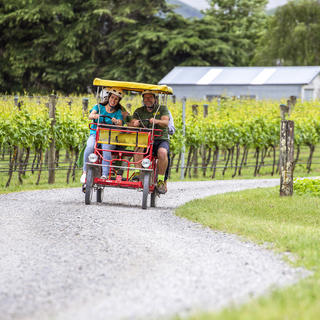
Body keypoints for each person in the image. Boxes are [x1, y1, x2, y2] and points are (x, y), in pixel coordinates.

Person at [129, 90, 170, 194]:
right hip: (145, 139)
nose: (147, 100)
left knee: (163, 153)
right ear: (143, 99)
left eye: (150, 98)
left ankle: (161, 180)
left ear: (155, 99)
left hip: (160, 139)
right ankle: (137, 173)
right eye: (145, 98)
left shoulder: (162, 109)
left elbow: (165, 122)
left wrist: (156, 121)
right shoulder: (139, 111)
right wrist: (135, 123)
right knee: (138, 148)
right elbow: (131, 123)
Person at [80, 88, 124, 183]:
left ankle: (105, 174)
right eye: (112, 97)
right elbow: (90, 116)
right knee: (90, 146)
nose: (113, 100)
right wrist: (95, 116)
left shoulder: (118, 112)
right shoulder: (99, 106)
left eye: (116, 99)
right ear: (108, 97)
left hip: (109, 137)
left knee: (106, 148)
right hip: (95, 134)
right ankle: (84, 172)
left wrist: (116, 121)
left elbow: (120, 123)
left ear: (118, 101)